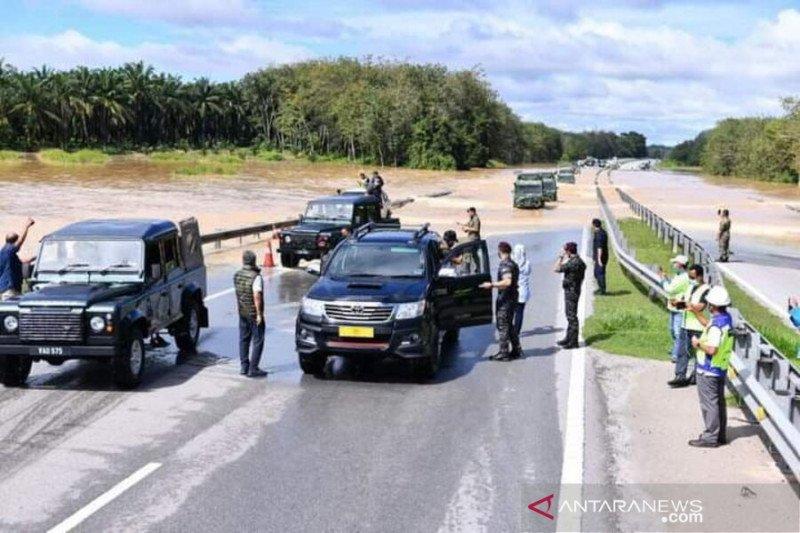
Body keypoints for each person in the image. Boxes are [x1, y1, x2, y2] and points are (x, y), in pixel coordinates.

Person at [688, 286, 734, 448]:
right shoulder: (725, 319)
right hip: (719, 369)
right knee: (718, 403)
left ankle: (709, 437)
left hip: (708, 369)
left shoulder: (716, 327)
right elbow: (709, 325)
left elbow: (712, 349)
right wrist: (695, 312)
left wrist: (698, 343)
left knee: (709, 404)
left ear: (712, 305)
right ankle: (719, 435)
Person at [669, 264, 710, 388]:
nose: (691, 279)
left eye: (693, 276)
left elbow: (701, 307)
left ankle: (696, 377)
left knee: (699, 354)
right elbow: (685, 304)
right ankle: (679, 376)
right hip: (685, 324)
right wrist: (677, 303)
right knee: (682, 352)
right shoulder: (690, 287)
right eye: (690, 276)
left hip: (699, 326)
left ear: (700, 276)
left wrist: (687, 305)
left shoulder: (707, 289)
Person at [480, 241, 521, 361]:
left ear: (500, 251)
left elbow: (507, 282)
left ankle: (504, 352)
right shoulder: (512, 263)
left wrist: (491, 285)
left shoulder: (506, 265)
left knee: (502, 325)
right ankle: (516, 349)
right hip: (511, 297)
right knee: (509, 324)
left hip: (506, 299)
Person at [234, 250, 267, 377]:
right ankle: (254, 368)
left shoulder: (237, 275)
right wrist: (259, 314)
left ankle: (244, 367)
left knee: (243, 339)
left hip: (242, 312)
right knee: (258, 340)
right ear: (253, 261)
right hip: (253, 313)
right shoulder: (256, 277)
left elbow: (238, 293)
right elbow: (257, 295)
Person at [658, 255, 691, 363]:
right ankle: (676, 350)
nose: (673, 265)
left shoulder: (684, 277)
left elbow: (670, 289)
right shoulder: (678, 275)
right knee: (672, 330)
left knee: (677, 333)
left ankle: (676, 355)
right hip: (673, 307)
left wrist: (663, 280)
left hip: (679, 308)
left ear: (680, 265)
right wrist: (667, 278)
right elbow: (673, 286)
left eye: (675, 263)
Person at [553, 241, 586, 349]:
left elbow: (556, 268)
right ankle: (569, 338)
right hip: (574, 290)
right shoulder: (580, 261)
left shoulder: (572, 263)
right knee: (570, 316)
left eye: (565, 250)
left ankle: (573, 342)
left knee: (571, 317)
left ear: (568, 251)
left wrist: (560, 257)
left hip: (571, 292)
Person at [0, 217, 35, 300]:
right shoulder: (9, 250)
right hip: (10, 288)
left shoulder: (5, 253)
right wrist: (27, 226)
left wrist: (36, 257)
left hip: (9, 288)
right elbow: (20, 241)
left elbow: (22, 261)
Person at [511, 243, 531, 340]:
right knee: (520, 312)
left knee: (513, 311)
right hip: (524, 291)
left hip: (515, 290)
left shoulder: (513, 263)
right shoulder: (527, 263)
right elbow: (528, 272)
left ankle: (513, 330)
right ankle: (517, 331)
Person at [591, 219, 608, 295]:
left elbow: (599, 248)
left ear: (594, 225)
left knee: (600, 273)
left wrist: (599, 259)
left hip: (600, 257)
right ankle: (600, 288)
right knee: (596, 273)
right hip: (602, 256)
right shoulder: (603, 232)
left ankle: (602, 291)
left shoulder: (599, 235)